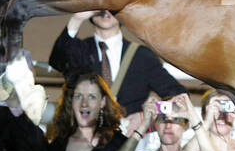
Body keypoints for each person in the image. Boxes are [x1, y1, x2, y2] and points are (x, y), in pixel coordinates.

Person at [49, 9, 185, 113]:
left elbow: (177, 94)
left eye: (112, 6)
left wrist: (150, 112)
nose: (105, 11)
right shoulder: (80, 49)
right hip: (85, 136)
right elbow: (57, 61)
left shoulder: (142, 56)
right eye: (100, 6)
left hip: (128, 138)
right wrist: (76, 19)